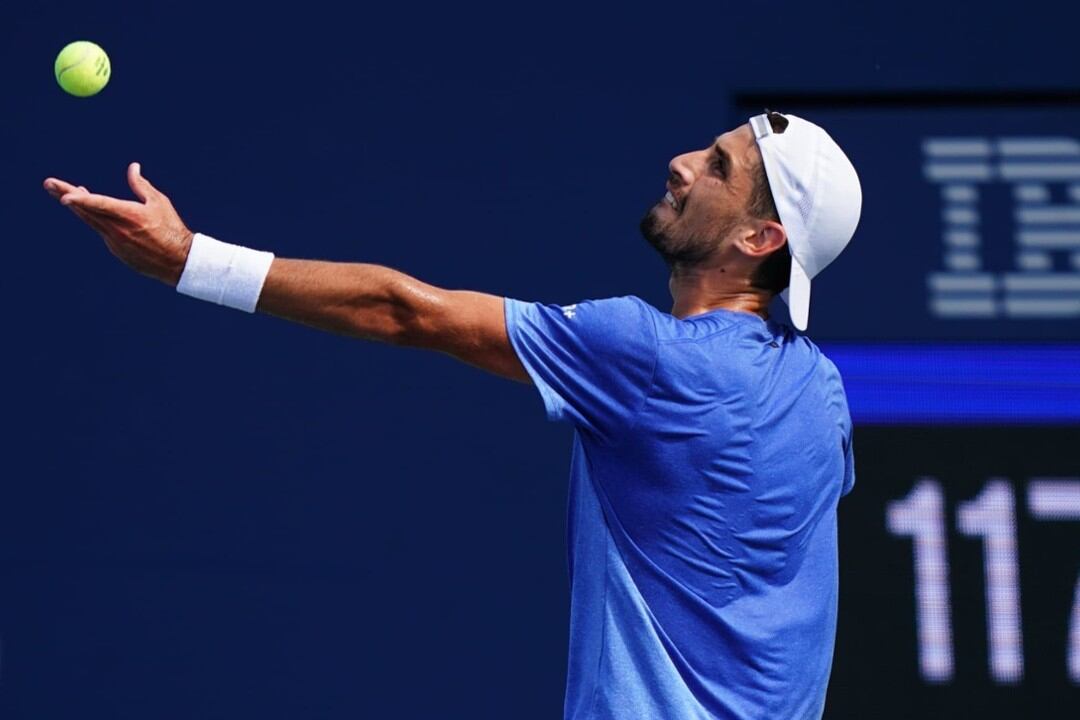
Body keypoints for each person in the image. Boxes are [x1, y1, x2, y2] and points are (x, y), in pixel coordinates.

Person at [43, 110, 861, 720]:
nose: (682, 163)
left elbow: (409, 312)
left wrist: (191, 261)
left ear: (760, 237)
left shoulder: (649, 358)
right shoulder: (822, 396)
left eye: (717, 166)